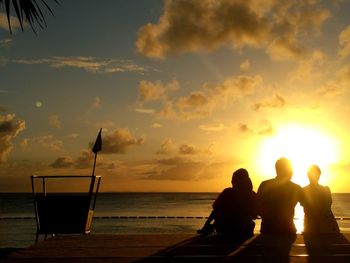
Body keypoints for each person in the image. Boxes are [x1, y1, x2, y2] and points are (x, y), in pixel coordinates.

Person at [198, 168, 257, 239]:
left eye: (233, 179)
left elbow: (216, 209)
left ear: (237, 181)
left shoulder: (228, 192)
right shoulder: (252, 194)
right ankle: (208, 227)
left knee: (217, 211)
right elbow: (254, 216)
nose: (231, 181)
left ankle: (206, 227)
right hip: (246, 231)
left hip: (227, 230)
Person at [257, 157, 301, 235]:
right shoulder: (296, 188)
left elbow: (257, 207)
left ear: (277, 170)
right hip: (287, 229)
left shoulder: (265, 185)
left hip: (268, 229)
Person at [301, 164, 339, 234]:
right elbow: (327, 208)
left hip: (312, 227)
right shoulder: (325, 190)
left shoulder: (303, 191)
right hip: (324, 227)